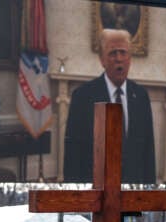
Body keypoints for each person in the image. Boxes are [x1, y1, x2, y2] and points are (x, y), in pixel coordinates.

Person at [64, 28, 155, 184]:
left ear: (130, 58)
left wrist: (148, 188)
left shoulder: (141, 96)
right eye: (112, 53)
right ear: (102, 60)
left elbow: (148, 152)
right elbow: (73, 155)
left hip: (132, 189)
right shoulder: (82, 96)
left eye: (123, 52)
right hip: (96, 188)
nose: (118, 59)